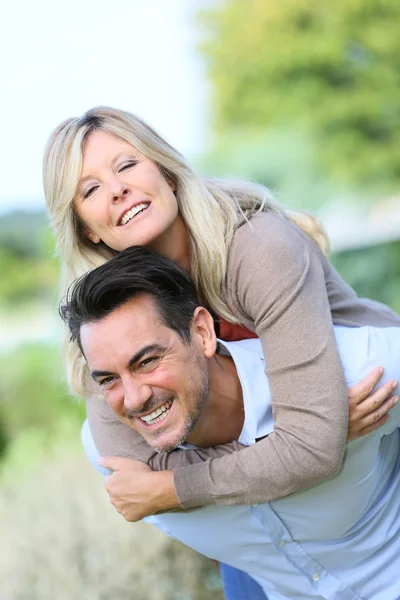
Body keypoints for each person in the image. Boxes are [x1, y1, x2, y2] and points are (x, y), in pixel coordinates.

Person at [43, 106, 400, 521]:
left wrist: (312, 438)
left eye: (128, 165)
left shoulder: (257, 250)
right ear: (85, 228)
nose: (118, 189)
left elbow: (311, 448)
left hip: (383, 410)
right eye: (90, 190)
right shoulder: (106, 318)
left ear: (167, 174)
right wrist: (290, 446)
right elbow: (133, 472)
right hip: (293, 478)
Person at [61, 246, 400, 599]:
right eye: (108, 380)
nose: (133, 399)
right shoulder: (126, 470)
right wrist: (308, 443)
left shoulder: (361, 374)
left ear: (203, 333)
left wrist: (315, 432)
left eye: (147, 361)